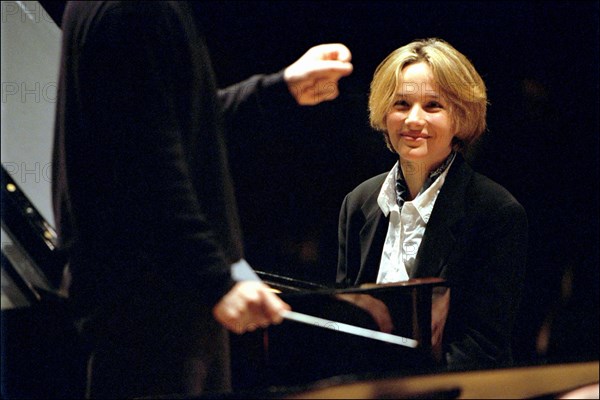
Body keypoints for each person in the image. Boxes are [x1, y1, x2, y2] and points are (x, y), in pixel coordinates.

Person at [52, 1, 352, 398]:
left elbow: (175, 127)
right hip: (156, 307)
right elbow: (145, 166)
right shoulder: (136, 10)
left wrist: (280, 87)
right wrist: (213, 278)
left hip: (160, 300)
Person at [336, 38, 527, 369]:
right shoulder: (358, 203)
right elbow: (343, 324)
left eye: (433, 106)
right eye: (401, 104)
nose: (413, 119)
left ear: (461, 117)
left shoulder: (496, 213)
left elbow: (482, 347)